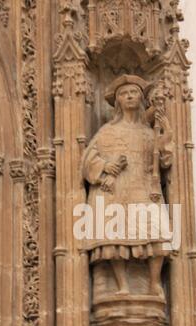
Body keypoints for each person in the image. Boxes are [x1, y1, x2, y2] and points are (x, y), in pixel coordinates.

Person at [82, 74, 173, 297]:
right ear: (118, 102)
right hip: (118, 190)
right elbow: (87, 161)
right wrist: (105, 165)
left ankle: (154, 283)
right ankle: (122, 285)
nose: (129, 96)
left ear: (141, 99)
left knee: (158, 230)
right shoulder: (107, 132)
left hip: (144, 188)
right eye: (124, 93)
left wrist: (165, 134)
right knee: (116, 235)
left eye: (134, 93)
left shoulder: (149, 132)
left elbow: (165, 161)